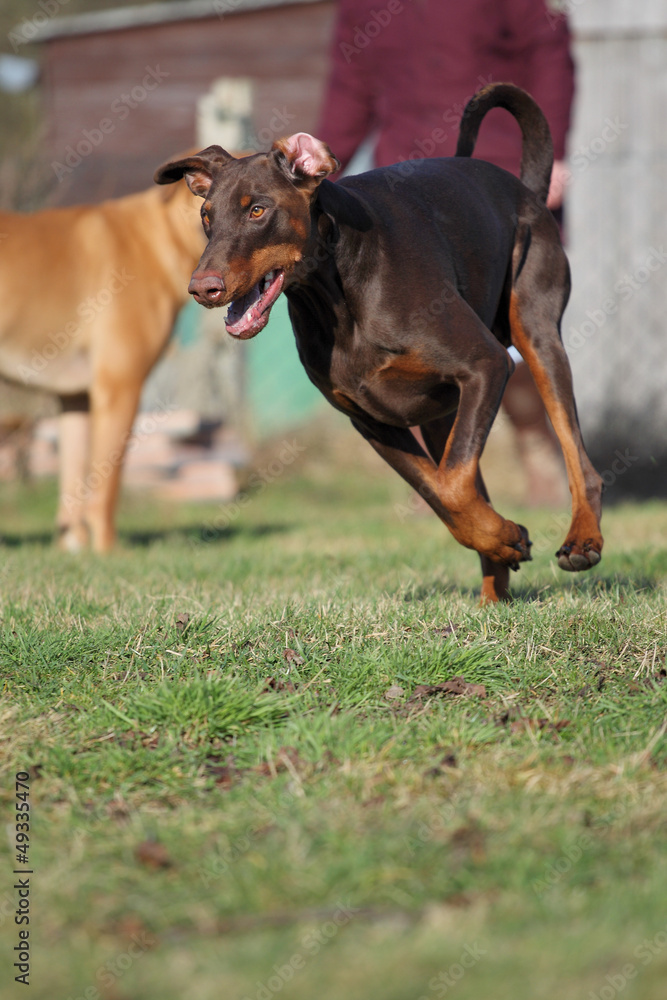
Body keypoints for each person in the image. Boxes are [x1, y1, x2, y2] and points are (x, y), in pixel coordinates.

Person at [317, 0, 574, 505]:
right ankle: (445, 476)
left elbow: (549, 52)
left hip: (494, 182)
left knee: (509, 339)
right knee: (421, 343)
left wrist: (554, 150)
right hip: (401, 198)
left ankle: (533, 440)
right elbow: (350, 87)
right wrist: (312, 181)